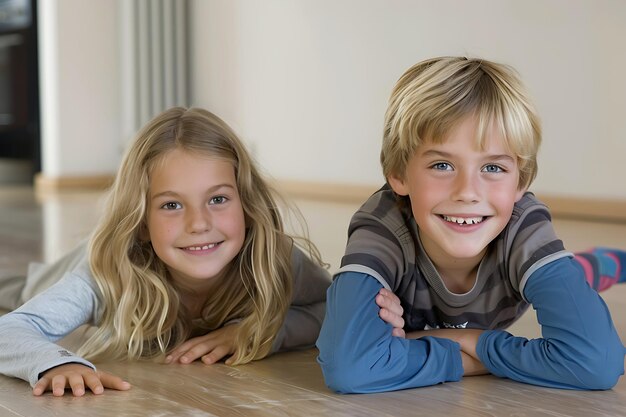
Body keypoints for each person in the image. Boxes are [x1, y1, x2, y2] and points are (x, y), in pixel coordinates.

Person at [316, 56, 626, 393]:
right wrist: (485, 354)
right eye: (442, 165)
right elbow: (350, 368)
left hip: (514, 281)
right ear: (399, 174)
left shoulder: (524, 227)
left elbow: (596, 364)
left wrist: (456, 341)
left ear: (520, 182)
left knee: (578, 273)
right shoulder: (381, 226)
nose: (467, 193)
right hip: (499, 276)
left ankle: (602, 263)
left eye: (492, 168)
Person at [0, 107, 334, 397]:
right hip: (87, 260)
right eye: (172, 205)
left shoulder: (274, 259)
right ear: (142, 221)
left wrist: (257, 332)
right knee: (22, 290)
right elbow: (10, 331)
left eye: (218, 199)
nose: (199, 223)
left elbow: (334, 308)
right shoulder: (106, 275)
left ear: (246, 203)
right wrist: (57, 364)